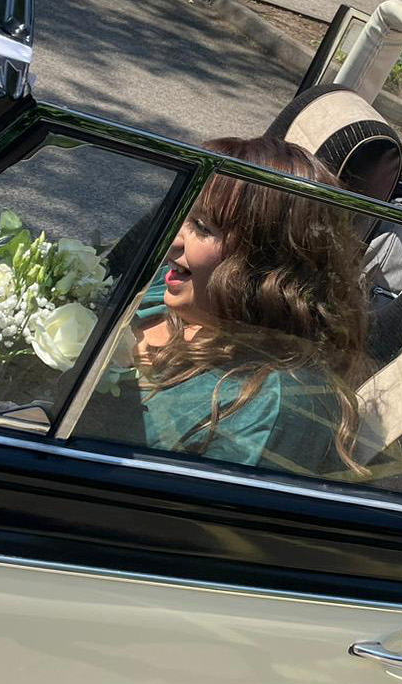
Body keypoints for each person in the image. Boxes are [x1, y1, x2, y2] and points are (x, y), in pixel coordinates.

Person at [82, 136, 368, 476]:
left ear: (264, 261)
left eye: (202, 227)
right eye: (184, 215)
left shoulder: (271, 403)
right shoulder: (167, 290)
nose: (173, 238)